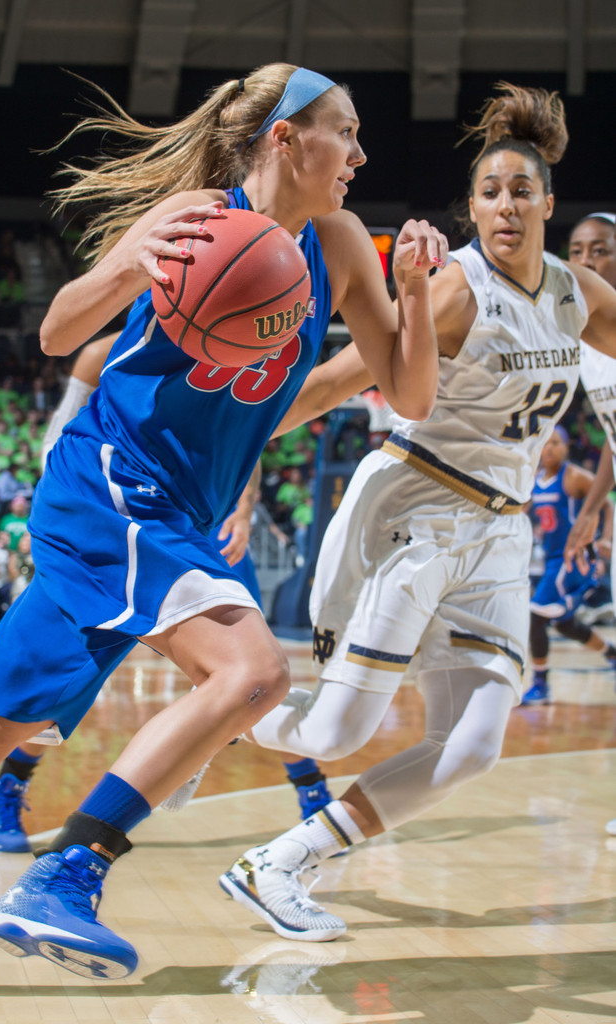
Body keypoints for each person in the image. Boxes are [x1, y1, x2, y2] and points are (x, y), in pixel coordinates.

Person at [0, 63, 446, 978]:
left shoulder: (342, 243)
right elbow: (58, 332)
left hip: (168, 515)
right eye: (342, 131)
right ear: (283, 137)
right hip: (112, 485)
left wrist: (416, 293)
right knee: (253, 671)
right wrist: (125, 262)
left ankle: (60, 865)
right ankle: (68, 874)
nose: (358, 152)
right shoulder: (195, 218)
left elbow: (412, 391)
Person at [217, 82, 616, 943]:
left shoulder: (576, 293)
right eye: (488, 192)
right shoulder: (455, 292)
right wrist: (232, 446)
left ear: (549, 202)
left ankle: (276, 863)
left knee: (473, 745)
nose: (504, 205)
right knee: (334, 729)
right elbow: (332, 382)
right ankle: (212, 716)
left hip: (499, 535)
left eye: (520, 191)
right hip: (415, 506)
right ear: (471, 208)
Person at [0, 334, 337, 851]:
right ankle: (8, 786)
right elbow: (59, 440)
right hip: (115, 515)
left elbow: (238, 435)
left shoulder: (236, 328)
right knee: (68, 679)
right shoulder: (104, 351)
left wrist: (247, 501)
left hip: (200, 521)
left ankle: (311, 790)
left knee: (253, 670)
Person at [561, 210, 616, 837]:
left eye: (599, 250)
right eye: (577, 249)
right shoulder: (585, 343)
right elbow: (609, 440)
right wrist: (593, 511)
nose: (586, 260)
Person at [522, 424, 616, 705]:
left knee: (536, 616)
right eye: (545, 443)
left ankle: (541, 684)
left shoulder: (573, 476)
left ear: (566, 448)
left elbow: (608, 504)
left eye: (556, 443)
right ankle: (611, 654)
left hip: (572, 557)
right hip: (551, 558)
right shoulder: (535, 479)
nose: (549, 448)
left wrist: (606, 539)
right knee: (565, 626)